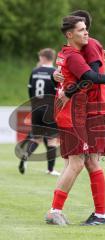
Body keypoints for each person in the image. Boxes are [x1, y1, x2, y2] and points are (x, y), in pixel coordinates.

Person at [45, 15, 105, 226]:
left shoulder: (80, 48)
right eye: (81, 29)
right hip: (78, 114)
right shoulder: (79, 52)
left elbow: (86, 75)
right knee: (80, 162)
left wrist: (68, 87)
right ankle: (60, 211)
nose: (86, 32)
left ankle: (94, 214)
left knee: (83, 161)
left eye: (86, 28)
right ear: (70, 34)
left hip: (85, 111)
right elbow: (91, 77)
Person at [18, 48, 60, 176]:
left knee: (36, 139)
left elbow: (30, 91)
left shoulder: (35, 71)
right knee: (52, 140)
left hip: (36, 109)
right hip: (50, 109)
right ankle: (50, 170)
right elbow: (58, 93)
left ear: (43, 57)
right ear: (52, 58)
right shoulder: (55, 72)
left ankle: (25, 157)